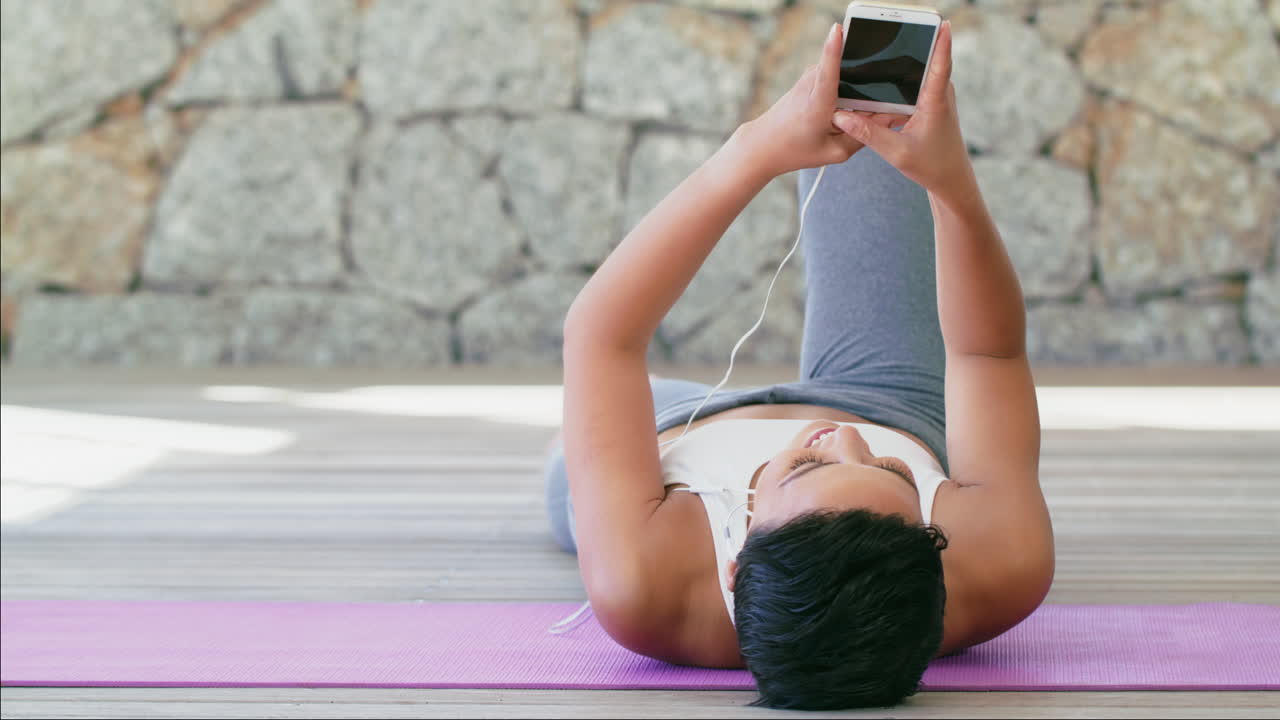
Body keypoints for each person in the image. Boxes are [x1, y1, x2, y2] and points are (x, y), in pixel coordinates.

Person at [543, 20, 1055, 711]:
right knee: (883, 123)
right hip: (882, 397)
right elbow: (986, 353)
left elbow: (601, 338)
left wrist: (753, 151)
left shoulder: (645, 583)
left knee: (566, 457)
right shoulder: (1000, 563)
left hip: (676, 430)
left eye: (812, 469)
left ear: (736, 559)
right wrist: (950, 182)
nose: (849, 444)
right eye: (889, 475)